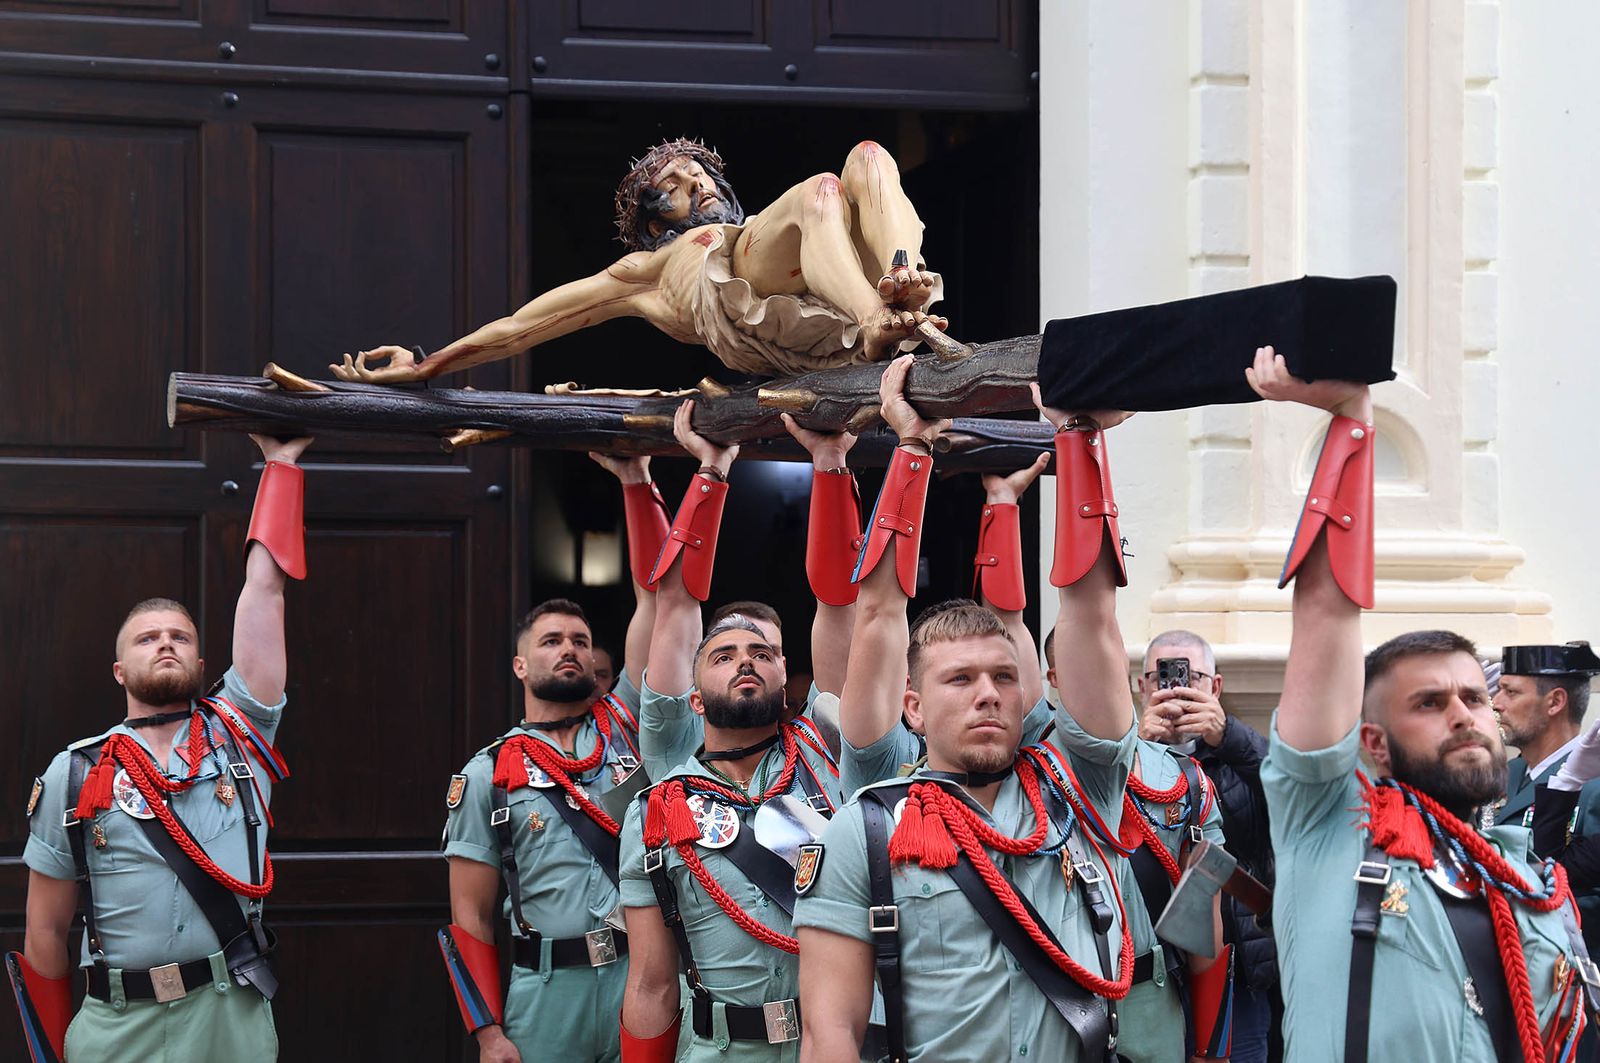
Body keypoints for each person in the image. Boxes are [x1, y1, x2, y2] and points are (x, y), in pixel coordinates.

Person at [791, 361, 1146, 1061]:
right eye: (960, 679)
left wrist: (1078, 440)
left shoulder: (1081, 789)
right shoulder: (867, 819)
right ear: (912, 706)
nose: (988, 691)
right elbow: (830, 1030)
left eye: (1003, 677)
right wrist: (912, 451)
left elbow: (1091, 618)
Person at [1251, 345, 1594, 1062]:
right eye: (1431, 702)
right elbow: (1324, 614)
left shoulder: (1521, 870)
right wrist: (1352, 423)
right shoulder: (1330, 827)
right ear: (1372, 742)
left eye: (1474, 694)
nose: (1466, 713)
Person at [9, 434, 311, 1063]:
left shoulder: (240, 736)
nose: (165, 643)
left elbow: (265, 594)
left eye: (179, 636)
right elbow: (44, 930)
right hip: (116, 1027)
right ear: (119, 670)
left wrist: (279, 467)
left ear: (203, 662)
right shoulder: (74, 773)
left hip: (229, 1016)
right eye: (147, 638)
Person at [332, 139, 948, 385]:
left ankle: (903, 280)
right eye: (677, 183)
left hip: (833, 300)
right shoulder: (643, 271)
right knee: (820, 190)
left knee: (868, 159)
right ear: (657, 219)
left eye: (699, 172)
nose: (699, 183)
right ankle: (878, 318)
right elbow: (525, 325)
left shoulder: (774, 227)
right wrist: (431, 365)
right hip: (761, 318)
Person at [616, 402, 844, 1061]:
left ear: (789, 681)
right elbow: (673, 603)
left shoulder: (829, 753)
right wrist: (709, 471)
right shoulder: (663, 776)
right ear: (691, 693)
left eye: (762, 653)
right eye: (723, 654)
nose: (744, 659)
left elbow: (842, 607)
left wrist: (830, 465)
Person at [438, 598, 646, 1063]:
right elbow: (470, 913)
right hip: (547, 991)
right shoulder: (485, 775)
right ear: (520, 665)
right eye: (551, 641)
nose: (568, 649)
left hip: (639, 980)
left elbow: (658, 614)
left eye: (580, 642)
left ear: (595, 661)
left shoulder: (629, 736)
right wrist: (487, 1033)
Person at [1045, 632, 1233, 1062]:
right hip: (1057, 1003)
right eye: (1080, 670)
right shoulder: (1024, 771)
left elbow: (1207, 928)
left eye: (1106, 666)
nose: (1096, 681)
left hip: (1153, 1003)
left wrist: (1210, 1049)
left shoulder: (1184, 781)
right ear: (1054, 679)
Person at [1135, 629, 1279, 1063]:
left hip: (1236, 971)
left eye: (1189, 676)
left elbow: (1296, 797)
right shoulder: (1124, 756)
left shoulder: (1240, 755)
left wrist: (1226, 735)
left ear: (1214, 687)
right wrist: (1138, 749)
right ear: (1142, 687)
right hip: (1149, 968)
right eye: (1161, 676)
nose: (1175, 688)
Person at [1494, 641, 1600, 829]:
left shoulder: (1592, 787)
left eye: (1510, 692)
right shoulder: (1507, 772)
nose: (1496, 703)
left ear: (1555, 702)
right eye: (1498, 690)